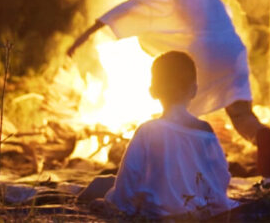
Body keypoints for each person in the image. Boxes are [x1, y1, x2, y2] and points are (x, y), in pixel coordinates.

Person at [68, 0, 270, 177]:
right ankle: (259, 134)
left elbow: (131, 7)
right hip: (233, 53)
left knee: (176, 109)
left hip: (200, 55)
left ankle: (170, 163)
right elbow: (223, 21)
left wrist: (84, 36)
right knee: (241, 114)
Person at [80, 51, 237, 219]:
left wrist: (113, 207)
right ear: (194, 90)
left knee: (98, 186)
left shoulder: (148, 131)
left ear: (153, 91)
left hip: (156, 215)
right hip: (200, 213)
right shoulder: (206, 131)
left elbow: (128, 180)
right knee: (106, 182)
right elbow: (220, 178)